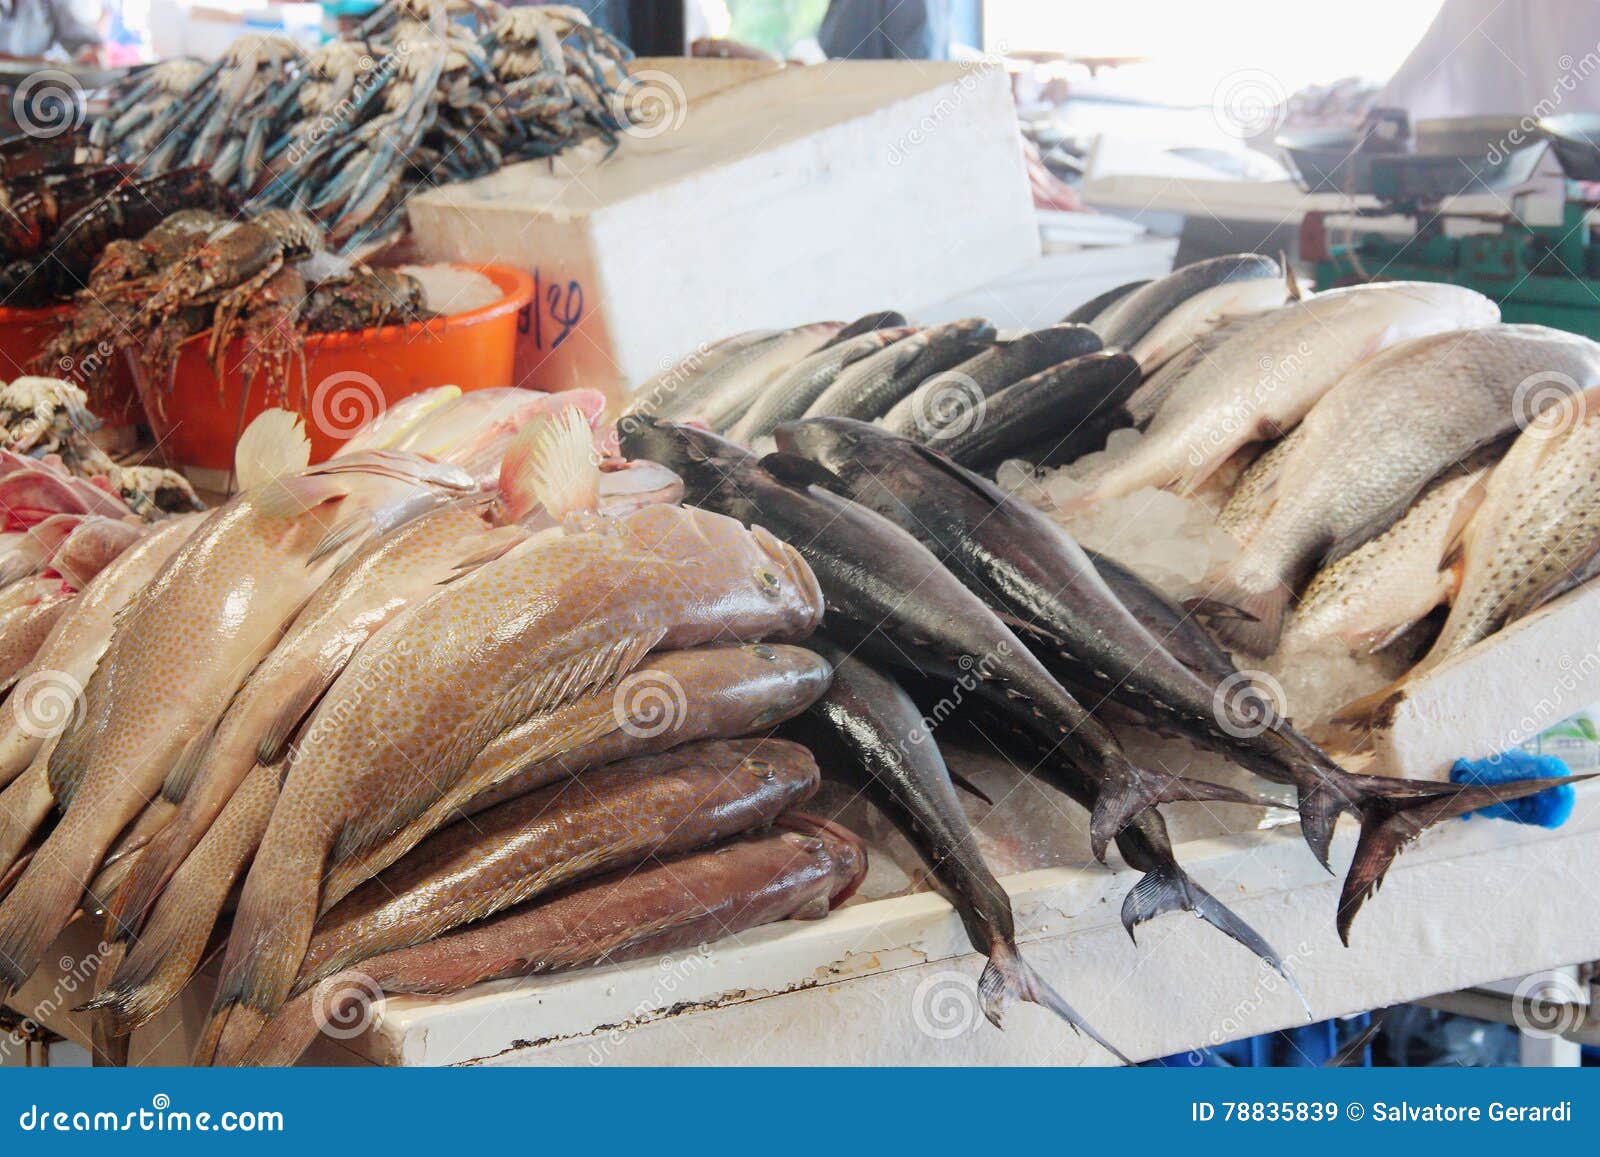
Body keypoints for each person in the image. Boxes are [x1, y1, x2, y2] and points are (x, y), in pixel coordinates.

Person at [0, 0, 101, 62]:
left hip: (35, 88)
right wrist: (32, 64)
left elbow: (81, 36)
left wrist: (94, 48)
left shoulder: (49, 3)